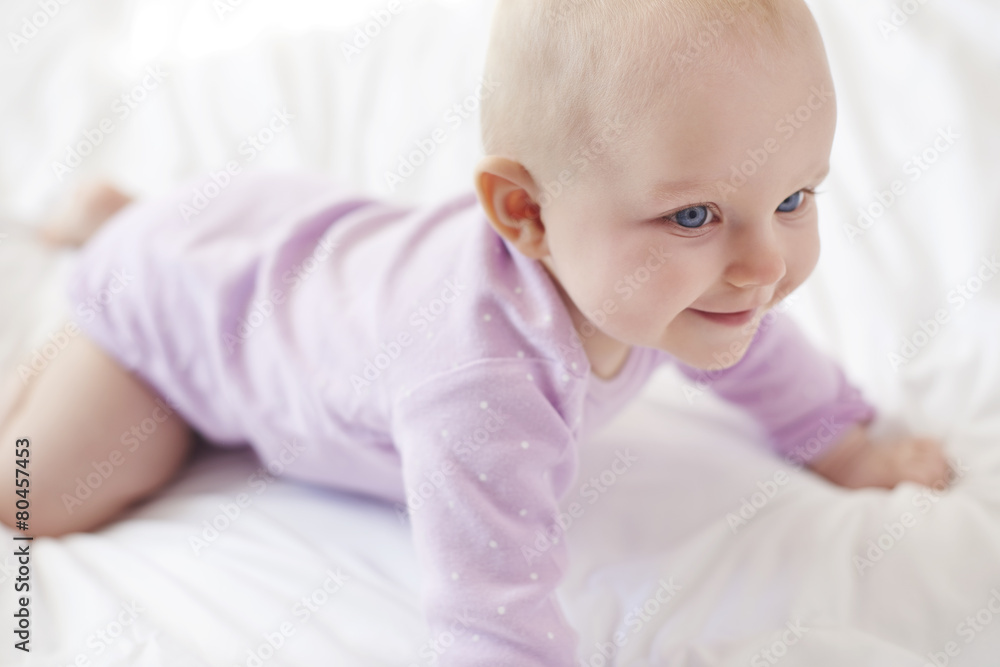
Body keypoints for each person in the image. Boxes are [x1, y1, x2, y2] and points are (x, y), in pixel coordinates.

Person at [0, 0, 954, 663]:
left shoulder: (662, 280)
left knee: (286, 259)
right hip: (176, 314)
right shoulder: (482, 394)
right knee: (33, 496)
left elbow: (752, 347)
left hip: (264, 229)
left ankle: (122, 212)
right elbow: (492, 613)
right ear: (524, 213)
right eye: (695, 215)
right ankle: (108, 249)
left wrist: (842, 441)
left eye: (794, 197)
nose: (763, 265)